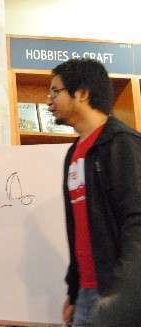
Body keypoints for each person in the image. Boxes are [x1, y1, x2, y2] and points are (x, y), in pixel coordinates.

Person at [53, 59, 141, 327]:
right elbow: (77, 228)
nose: (49, 99)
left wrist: (123, 293)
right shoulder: (74, 153)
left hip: (117, 295)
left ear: (82, 93)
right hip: (86, 293)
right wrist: (74, 291)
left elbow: (136, 221)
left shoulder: (121, 143)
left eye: (56, 91)